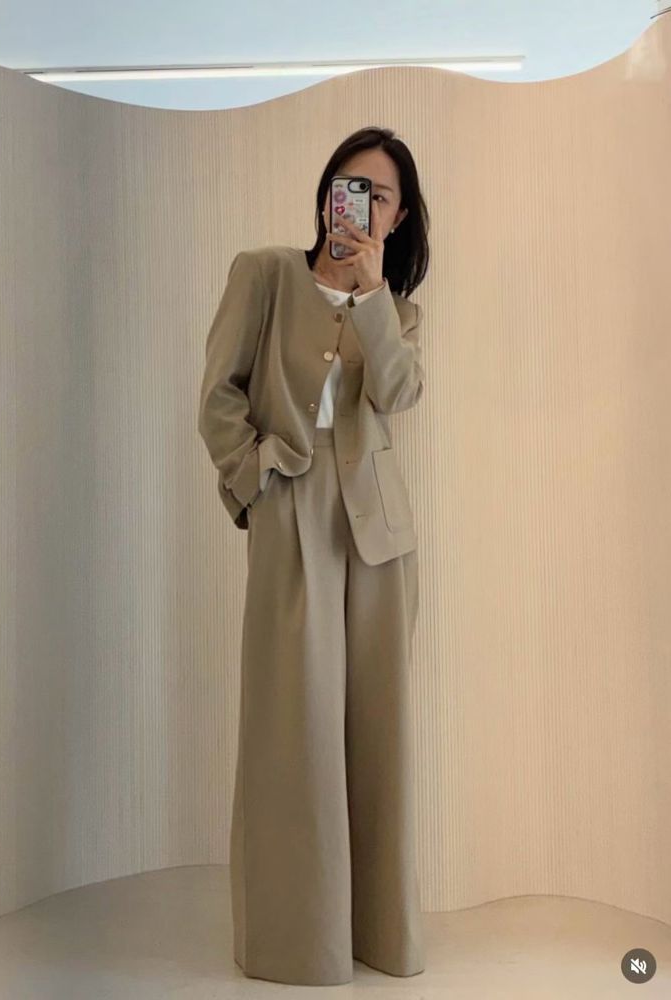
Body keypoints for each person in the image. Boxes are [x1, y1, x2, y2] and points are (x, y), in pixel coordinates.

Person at [198, 125, 431, 986]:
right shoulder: (263, 274)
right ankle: (298, 942)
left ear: (397, 216)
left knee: (377, 732)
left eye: (377, 195)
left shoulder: (397, 311)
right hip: (290, 508)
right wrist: (254, 478)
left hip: (378, 533)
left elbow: (397, 393)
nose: (358, 205)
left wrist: (370, 294)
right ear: (327, 194)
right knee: (291, 728)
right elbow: (218, 394)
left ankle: (378, 934)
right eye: (347, 185)